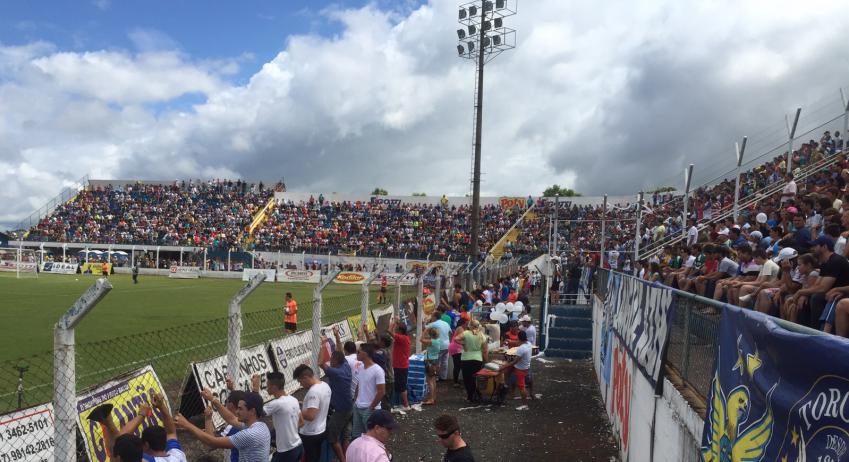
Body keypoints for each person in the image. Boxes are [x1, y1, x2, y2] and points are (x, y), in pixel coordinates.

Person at [175, 391, 270, 462]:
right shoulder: (261, 426)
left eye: (240, 409)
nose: (237, 412)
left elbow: (211, 442)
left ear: (252, 411)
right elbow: (232, 419)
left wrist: (187, 425)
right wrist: (212, 399)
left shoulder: (249, 435)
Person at [90, 393, 186, 462]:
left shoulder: (146, 459)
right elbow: (171, 432)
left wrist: (142, 415)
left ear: (147, 445)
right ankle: (107, 421)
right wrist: (161, 406)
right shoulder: (177, 455)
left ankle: (107, 421)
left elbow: (121, 443)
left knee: (117, 454)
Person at [252, 372, 303, 462]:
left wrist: (255, 389)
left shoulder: (276, 403)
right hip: (298, 444)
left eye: (268, 386)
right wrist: (289, 428)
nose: (266, 388)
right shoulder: (294, 400)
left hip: (286, 450)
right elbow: (301, 422)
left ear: (274, 387)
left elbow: (257, 412)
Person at [319, 338, 353, 462]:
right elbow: (340, 352)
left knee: (332, 437)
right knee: (346, 436)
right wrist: (336, 336)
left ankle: (343, 460)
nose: (330, 361)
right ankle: (349, 458)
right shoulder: (346, 366)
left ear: (335, 361)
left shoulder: (336, 373)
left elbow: (320, 363)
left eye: (331, 360)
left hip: (340, 411)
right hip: (349, 407)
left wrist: (323, 345)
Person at [293, 364, 332, 462]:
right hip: (321, 429)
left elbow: (310, 416)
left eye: (300, 381)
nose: (300, 385)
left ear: (305, 378)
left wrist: (296, 410)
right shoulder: (325, 385)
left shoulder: (313, 392)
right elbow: (320, 404)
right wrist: (304, 404)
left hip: (310, 434)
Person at [352, 343, 386, 440]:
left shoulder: (377, 370)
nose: (356, 353)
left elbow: (381, 391)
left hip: (370, 410)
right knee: (357, 437)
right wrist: (355, 400)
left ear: (365, 354)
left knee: (372, 438)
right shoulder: (360, 367)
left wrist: (371, 407)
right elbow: (359, 384)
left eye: (358, 352)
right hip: (358, 407)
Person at [454, 320, 488, 403]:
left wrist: (463, 343)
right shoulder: (482, 335)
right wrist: (486, 361)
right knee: (475, 378)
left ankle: (470, 396)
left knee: (467, 379)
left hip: (466, 358)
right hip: (477, 359)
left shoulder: (466, 333)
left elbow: (456, 338)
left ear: (470, 326)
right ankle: (477, 394)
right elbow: (484, 350)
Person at [504, 330, 532, 410]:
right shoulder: (528, 344)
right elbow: (518, 343)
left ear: (519, 338)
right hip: (526, 367)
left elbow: (514, 362)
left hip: (520, 369)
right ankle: (509, 389)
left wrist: (504, 366)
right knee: (508, 372)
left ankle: (525, 405)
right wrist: (510, 341)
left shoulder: (521, 349)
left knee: (521, 387)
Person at [391, 317, 412, 411]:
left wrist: (393, 322)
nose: (395, 330)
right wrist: (397, 323)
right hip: (400, 365)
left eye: (397, 329)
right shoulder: (404, 337)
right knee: (399, 385)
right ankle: (400, 403)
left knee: (401, 386)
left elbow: (389, 331)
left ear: (400, 330)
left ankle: (406, 405)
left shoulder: (402, 338)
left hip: (400, 366)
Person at [419, 327, 442, 405]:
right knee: (433, 380)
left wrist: (425, 331)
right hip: (435, 360)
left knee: (429, 381)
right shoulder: (438, 340)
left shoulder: (431, 342)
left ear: (431, 335)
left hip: (430, 361)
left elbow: (421, 339)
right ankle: (433, 397)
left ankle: (431, 399)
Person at [426, 312, 452, 381]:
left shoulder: (434, 324)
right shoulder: (446, 323)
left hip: (439, 345)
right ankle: (443, 377)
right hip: (447, 345)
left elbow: (425, 328)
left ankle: (436, 377)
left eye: (432, 316)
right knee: (445, 361)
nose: (431, 318)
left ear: (435, 317)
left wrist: (427, 322)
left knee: (437, 362)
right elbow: (450, 332)